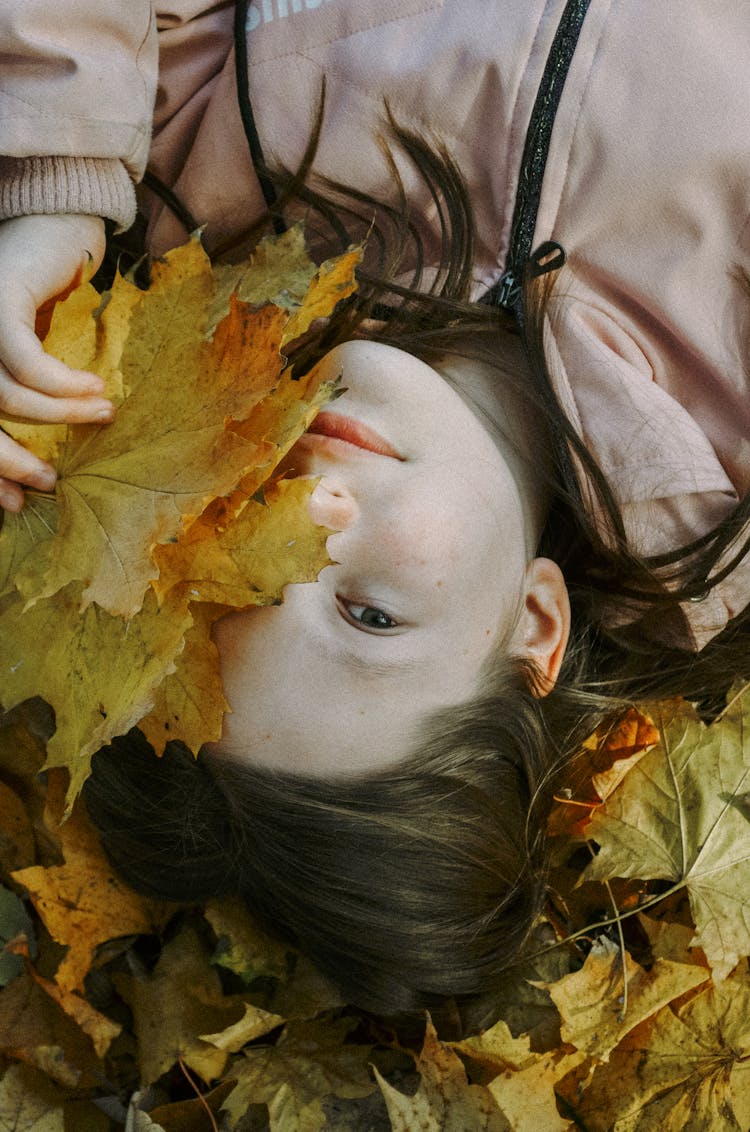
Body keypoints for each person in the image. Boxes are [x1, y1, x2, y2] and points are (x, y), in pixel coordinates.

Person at [1, 0, 749, 1021]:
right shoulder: (726, 410)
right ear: (533, 625)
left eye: (235, 562)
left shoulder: (205, 190)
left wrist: (55, 186)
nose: (311, 510)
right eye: (369, 614)